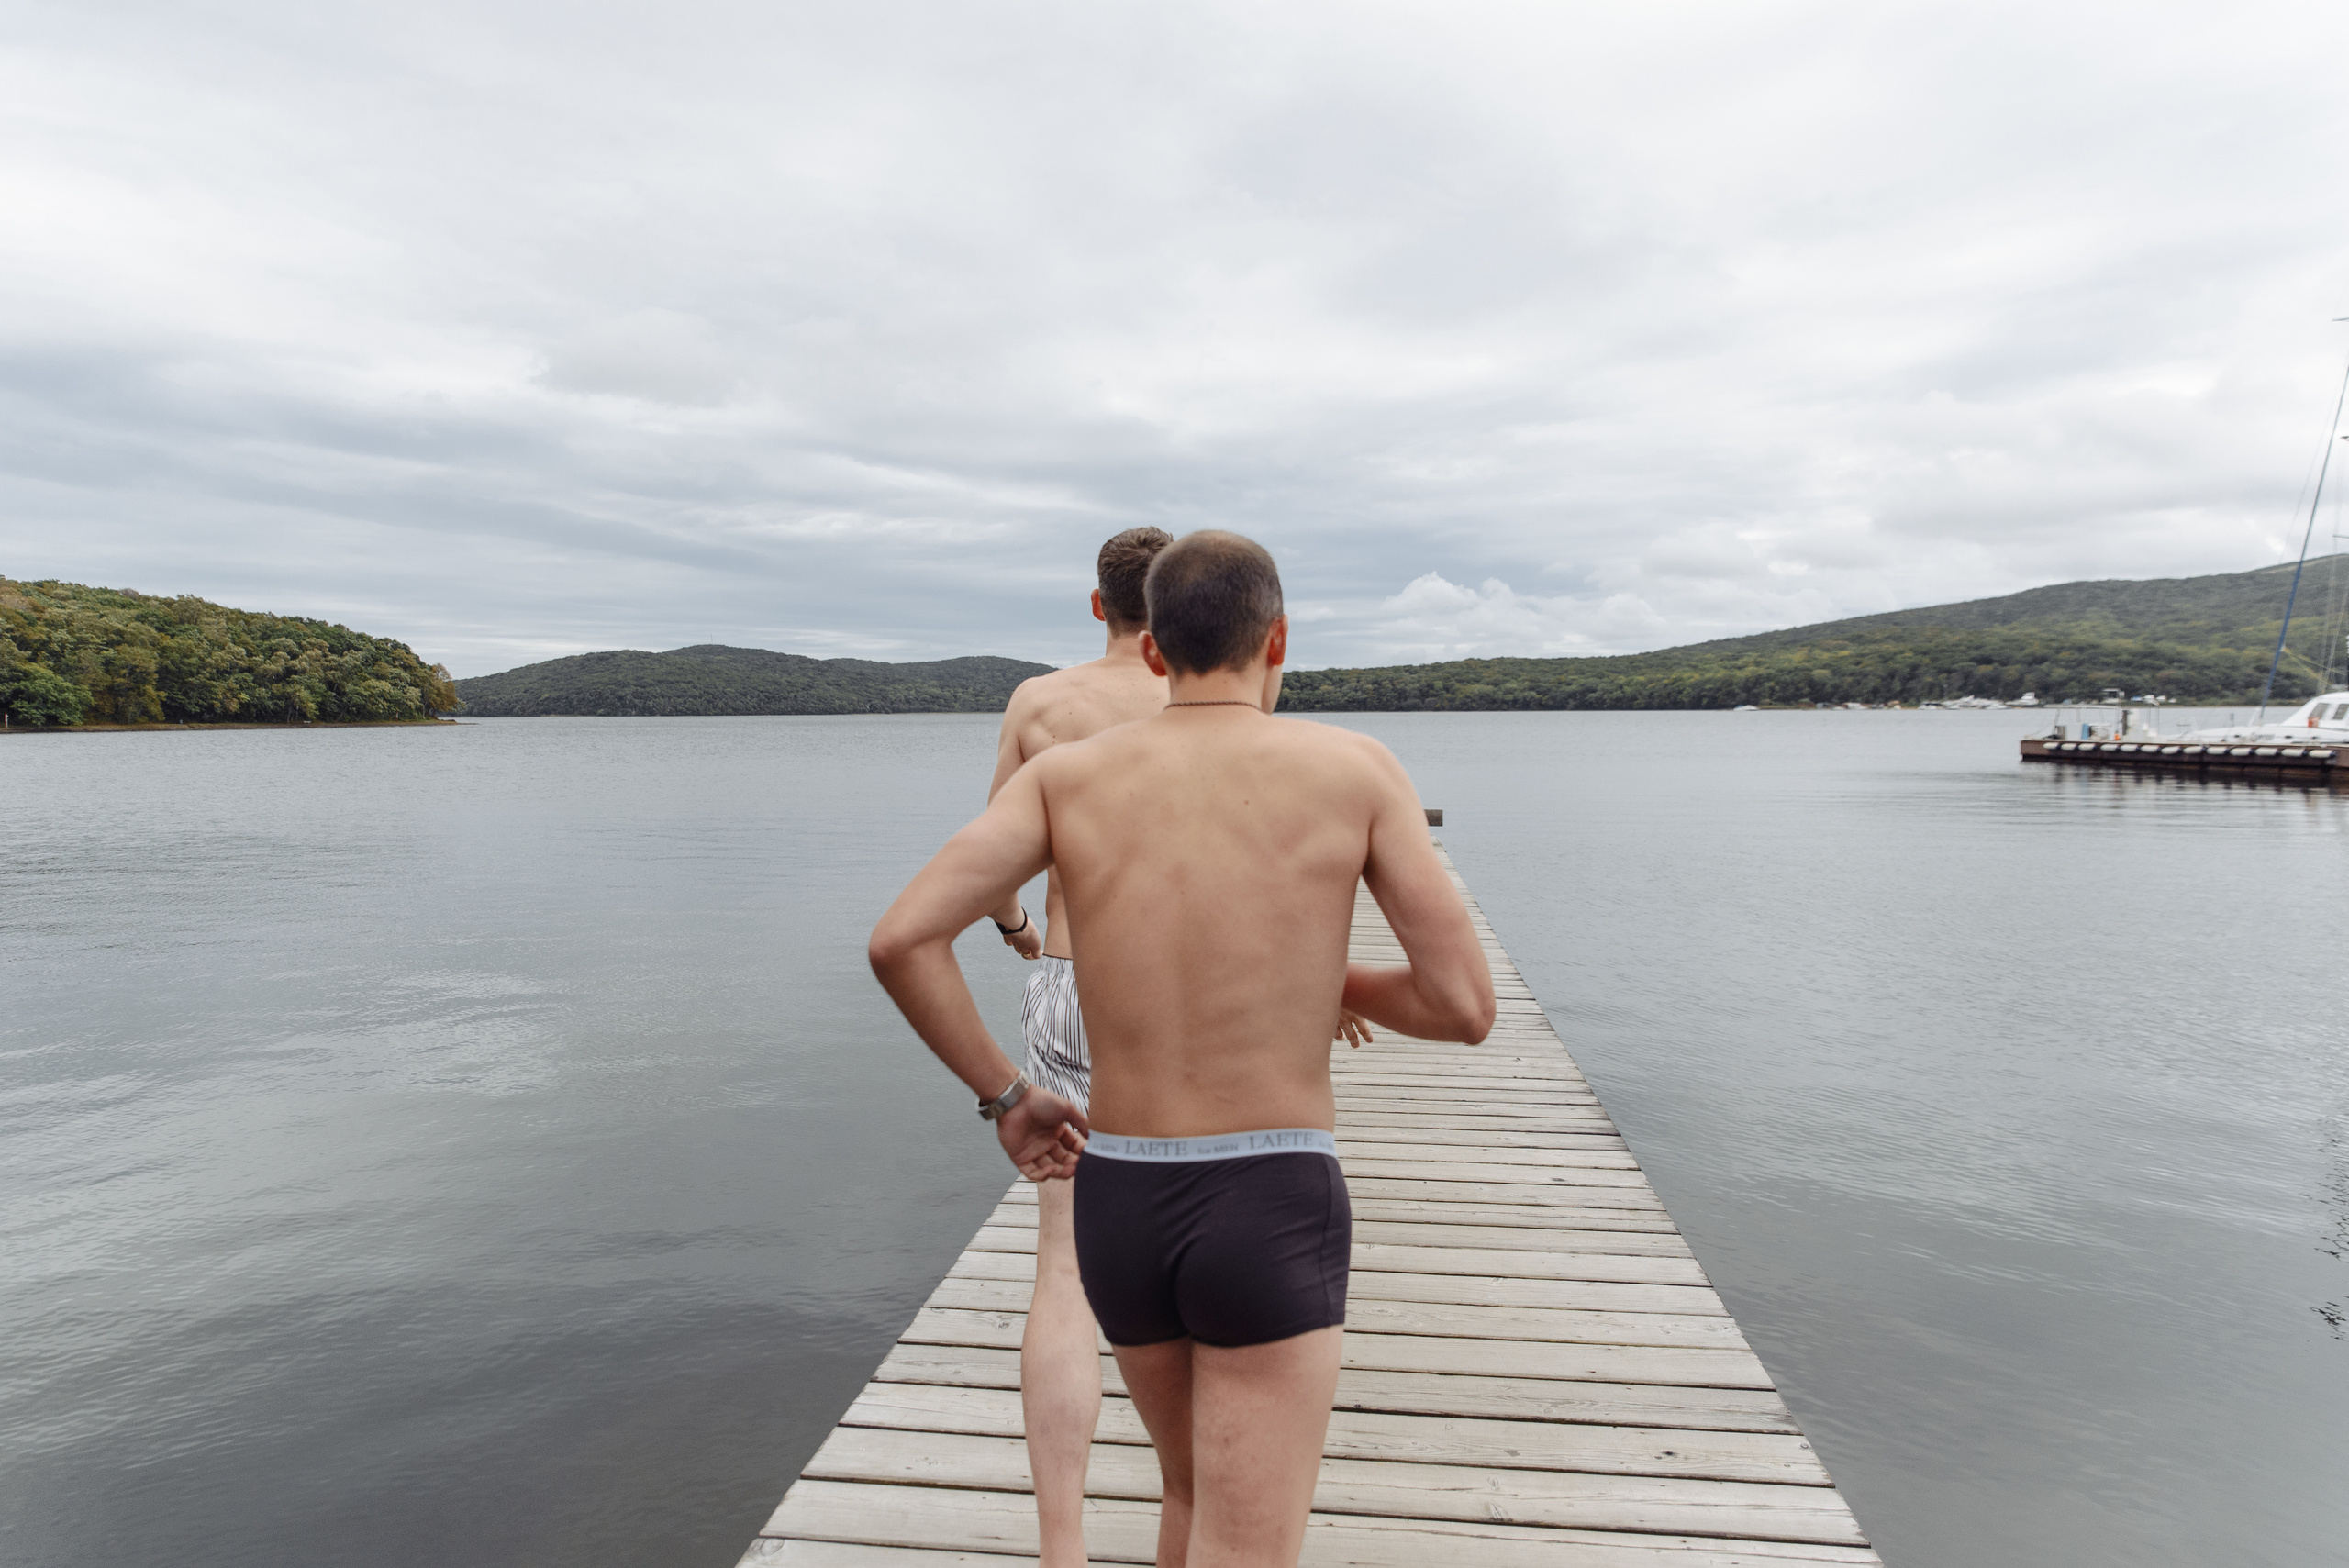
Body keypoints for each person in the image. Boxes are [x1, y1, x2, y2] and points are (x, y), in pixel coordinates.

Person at [871, 530, 1495, 1567]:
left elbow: (902, 940)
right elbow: (1462, 1003)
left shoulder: (1066, 777)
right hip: (1268, 1195)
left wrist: (1008, 1095)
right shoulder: (1353, 767)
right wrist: (1319, 977)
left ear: (1154, 651)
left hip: (1119, 1193)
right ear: (1278, 638)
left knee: (1190, 1493)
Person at [982, 525, 1174, 1568]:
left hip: (1065, 979)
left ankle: (1062, 1549)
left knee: (1062, 1267)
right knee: (1192, 1246)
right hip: (1188, 999)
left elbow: (994, 862)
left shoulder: (1037, 704)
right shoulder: (1207, 695)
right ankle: (1186, 1526)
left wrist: (1016, 931)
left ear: (1096, 606)